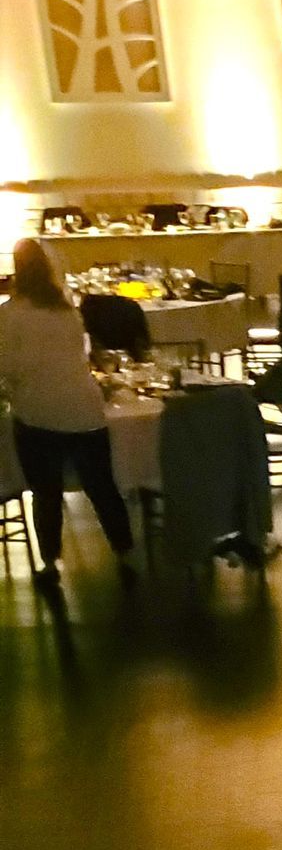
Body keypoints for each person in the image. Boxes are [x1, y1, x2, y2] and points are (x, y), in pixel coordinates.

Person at [0, 238, 137, 594]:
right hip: (84, 408)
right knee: (102, 487)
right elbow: (79, 355)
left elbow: (7, 367)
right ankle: (125, 553)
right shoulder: (66, 309)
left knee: (47, 493)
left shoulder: (9, 314)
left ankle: (50, 563)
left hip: (38, 412)